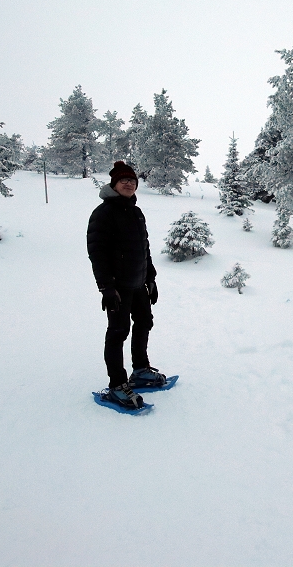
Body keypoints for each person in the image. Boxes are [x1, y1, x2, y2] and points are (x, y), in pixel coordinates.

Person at [86, 161, 168, 409]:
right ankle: (116, 385)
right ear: (114, 184)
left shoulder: (136, 212)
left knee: (144, 323)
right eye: (124, 180)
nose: (129, 184)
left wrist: (150, 277)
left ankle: (140, 370)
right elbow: (97, 253)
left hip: (138, 284)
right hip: (118, 288)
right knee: (118, 332)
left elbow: (144, 248)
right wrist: (106, 288)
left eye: (132, 180)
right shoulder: (103, 213)